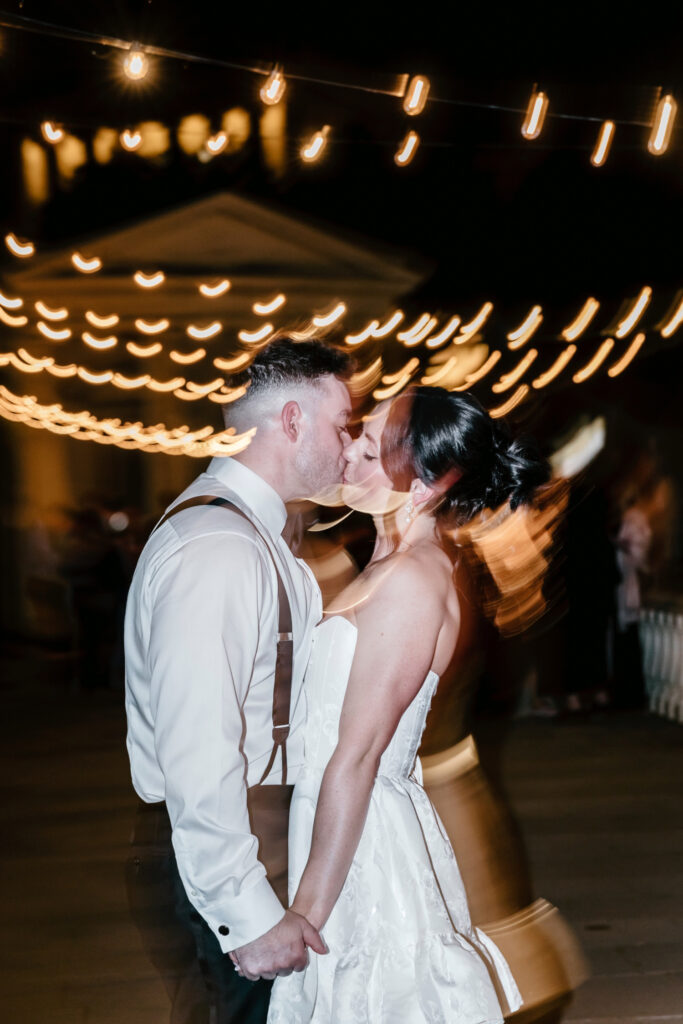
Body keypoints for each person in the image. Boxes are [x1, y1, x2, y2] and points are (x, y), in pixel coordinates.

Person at [267, 387, 549, 1023]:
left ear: (422, 487)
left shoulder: (415, 581)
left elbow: (358, 757)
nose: (347, 453)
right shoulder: (381, 570)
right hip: (336, 824)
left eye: (369, 448)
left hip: (363, 845)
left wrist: (305, 915)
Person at [124, 337, 352, 1023]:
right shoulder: (219, 549)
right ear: (290, 421)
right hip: (234, 845)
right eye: (342, 424)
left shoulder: (252, 533)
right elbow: (198, 745)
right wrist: (245, 913)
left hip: (265, 834)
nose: (349, 445)